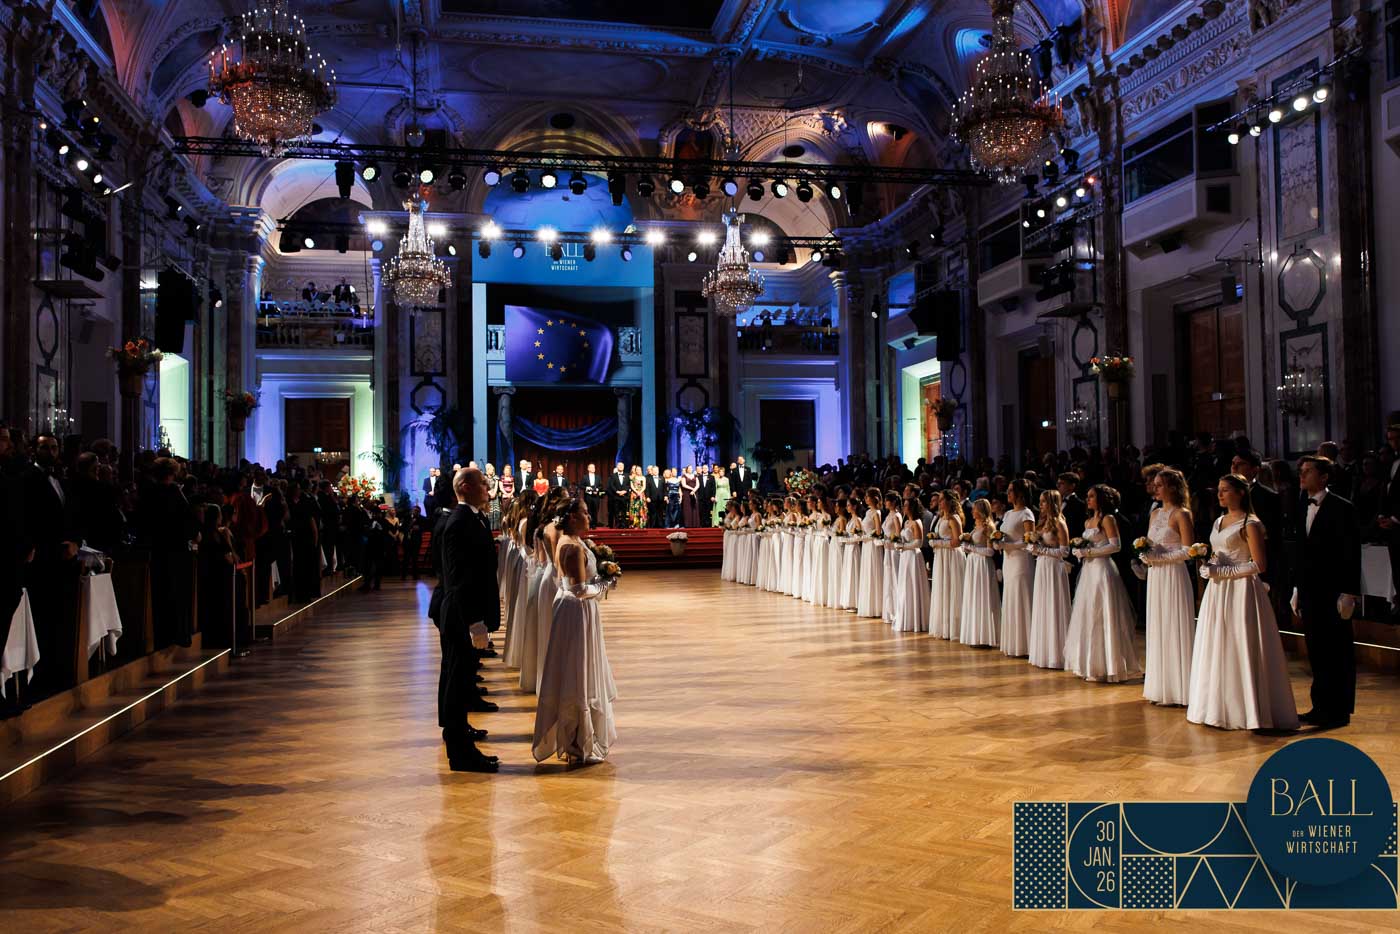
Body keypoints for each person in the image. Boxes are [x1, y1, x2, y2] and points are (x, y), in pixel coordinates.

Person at [1187, 474, 1299, 731]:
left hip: (1241, 590)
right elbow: (1217, 553)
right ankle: (1219, 706)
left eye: (1225, 490)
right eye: (1219, 490)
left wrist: (1223, 572)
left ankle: (1248, 709)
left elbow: (1259, 565)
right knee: (1219, 642)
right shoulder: (1218, 521)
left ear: (1240, 492)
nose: (1220, 494)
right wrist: (1208, 566)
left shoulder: (1251, 523)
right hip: (1218, 591)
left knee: (1241, 642)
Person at [533, 496, 617, 763]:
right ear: (571, 517)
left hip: (576, 609)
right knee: (578, 670)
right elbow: (579, 589)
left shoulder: (574, 541)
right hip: (576, 612)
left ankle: (578, 738)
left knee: (579, 668)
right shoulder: (571, 547)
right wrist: (606, 583)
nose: (589, 517)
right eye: (585, 513)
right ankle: (578, 742)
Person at [430, 467, 500, 773]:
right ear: (466, 487)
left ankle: (461, 744)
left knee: (460, 679)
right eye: (483, 483)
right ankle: (460, 754)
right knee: (457, 683)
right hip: (461, 614)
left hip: (465, 611)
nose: (487, 487)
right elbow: (459, 578)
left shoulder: (472, 517)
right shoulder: (460, 521)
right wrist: (474, 622)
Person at [1293, 455, 1361, 728]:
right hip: (1310, 591)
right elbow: (1300, 551)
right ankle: (1320, 707)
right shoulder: (1301, 504)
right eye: (1301, 470)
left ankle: (1339, 711)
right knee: (1317, 650)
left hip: (1334, 591)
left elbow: (1351, 552)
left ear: (1324, 477)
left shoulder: (1343, 507)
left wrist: (1349, 592)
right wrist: (1296, 588)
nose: (1302, 475)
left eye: (1308, 471)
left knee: (1338, 651)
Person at [1063, 484, 1141, 683]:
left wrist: (1088, 552)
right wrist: (1079, 551)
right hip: (1089, 571)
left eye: (1091, 496)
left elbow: (1116, 546)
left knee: (1102, 613)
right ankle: (1091, 664)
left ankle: (1109, 665)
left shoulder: (1108, 519)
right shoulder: (1088, 521)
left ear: (1101, 499)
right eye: (1087, 496)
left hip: (1102, 570)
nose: (1088, 499)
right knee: (1089, 614)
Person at [1139, 468, 1197, 707]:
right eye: (1154, 484)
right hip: (1156, 575)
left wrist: (1160, 557)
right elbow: (1151, 543)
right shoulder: (1155, 513)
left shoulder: (1181, 514)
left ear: (1172, 487)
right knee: (1158, 626)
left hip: (1173, 574)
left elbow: (1189, 551)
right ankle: (1161, 687)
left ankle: (1179, 689)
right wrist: (1145, 554)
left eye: (1160, 484)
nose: (1155, 488)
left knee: (1174, 624)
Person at [1028, 490, 1072, 669]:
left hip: (1054, 568)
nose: (1041, 505)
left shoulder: (1060, 523)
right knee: (1043, 606)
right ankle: (1044, 652)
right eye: (1040, 501)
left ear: (1053, 503)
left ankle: (1057, 655)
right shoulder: (1042, 523)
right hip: (1042, 567)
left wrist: (1041, 550)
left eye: (1044, 502)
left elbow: (1065, 551)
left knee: (1054, 606)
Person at [998, 479, 1036, 658]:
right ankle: (1014, 643)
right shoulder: (1007, 514)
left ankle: (1026, 645)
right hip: (1008, 560)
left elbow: (1030, 540)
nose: (1008, 494)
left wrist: (1009, 546)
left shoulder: (1026, 514)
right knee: (1011, 597)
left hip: (1021, 560)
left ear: (1020, 494)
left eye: (1011, 490)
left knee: (1022, 597)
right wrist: (998, 542)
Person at [958, 499, 1001, 647]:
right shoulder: (975, 526)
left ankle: (985, 637)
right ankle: (975, 635)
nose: (972, 511)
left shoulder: (988, 527)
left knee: (982, 597)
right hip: (973, 564)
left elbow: (990, 551)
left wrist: (971, 548)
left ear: (981, 510)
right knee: (974, 597)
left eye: (974, 509)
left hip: (982, 565)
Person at [927, 489, 964, 639]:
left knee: (951, 588)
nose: (939, 502)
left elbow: (957, 541)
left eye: (942, 499)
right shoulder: (941, 517)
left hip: (951, 556)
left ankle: (954, 627)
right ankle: (944, 626)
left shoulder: (953, 518)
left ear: (950, 501)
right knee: (942, 589)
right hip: (941, 557)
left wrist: (938, 543)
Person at [893, 496, 927, 631]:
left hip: (913, 556)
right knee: (904, 585)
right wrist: (898, 543)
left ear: (912, 507)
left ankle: (915, 619)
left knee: (912, 585)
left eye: (906, 505)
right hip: (905, 557)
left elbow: (919, 542)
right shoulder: (906, 522)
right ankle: (905, 616)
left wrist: (903, 546)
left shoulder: (916, 522)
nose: (904, 507)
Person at [606, 461, 628, 527]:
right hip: (616, 496)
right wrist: (617, 491)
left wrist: (625, 491)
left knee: (624, 511)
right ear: (617, 467)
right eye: (619, 466)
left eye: (622, 466)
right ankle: (617, 524)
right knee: (616, 511)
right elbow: (612, 485)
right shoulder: (613, 475)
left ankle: (623, 524)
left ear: (623, 467)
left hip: (624, 496)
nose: (621, 467)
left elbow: (628, 485)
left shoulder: (627, 475)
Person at [485, 463, 502, 530]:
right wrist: (490, 493)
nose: (492, 471)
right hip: (488, 495)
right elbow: (486, 487)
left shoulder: (496, 477)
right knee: (490, 511)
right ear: (488, 470)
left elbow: (496, 487)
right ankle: (490, 527)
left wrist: (494, 493)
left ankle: (496, 527)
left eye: (493, 470)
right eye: (491, 470)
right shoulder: (485, 477)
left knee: (496, 511)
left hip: (495, 496)